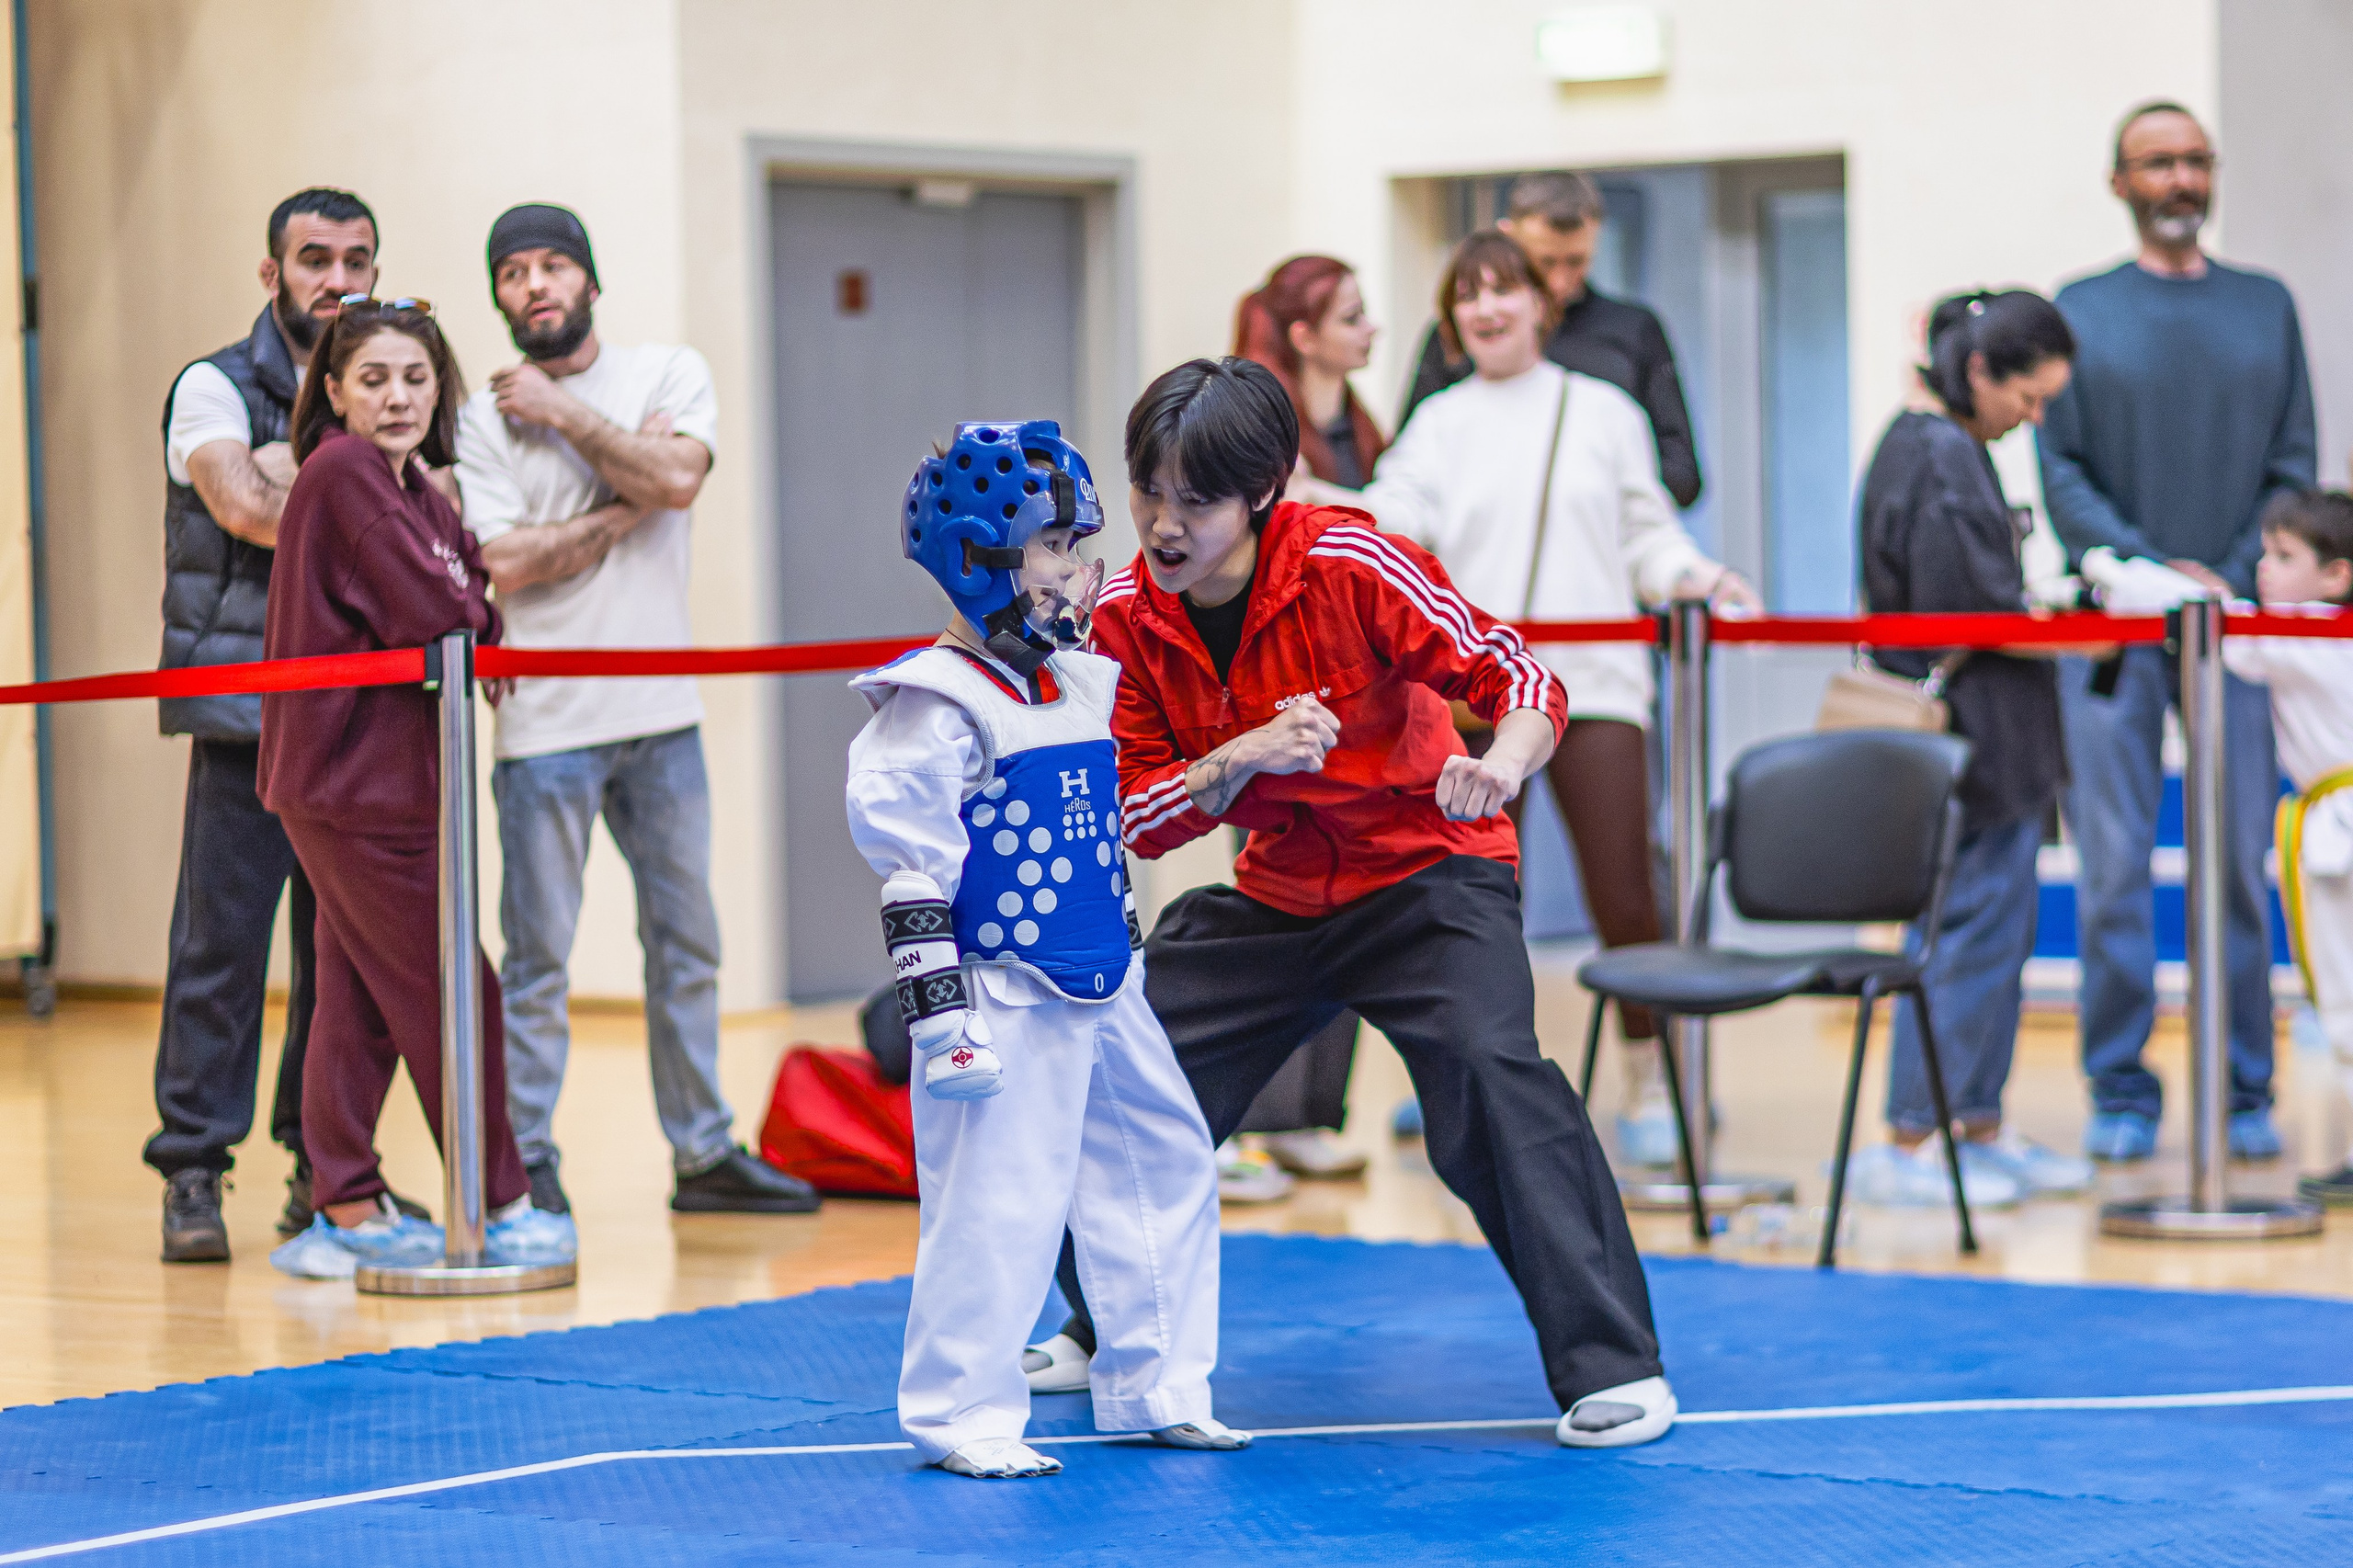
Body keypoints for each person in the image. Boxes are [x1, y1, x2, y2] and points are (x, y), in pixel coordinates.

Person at [1027, 358, 1676, 1451]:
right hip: (1278, 887)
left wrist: (1504, 764)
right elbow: (1131, 821)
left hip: (1427, 873)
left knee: (1489, 1078)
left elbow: (1517, 675)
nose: (1162, 523)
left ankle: (1618, 1367)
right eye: (1148, 492)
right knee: (1123, 1066)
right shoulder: (1127, 616)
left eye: (1195, 499)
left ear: (1264, 494)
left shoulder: (1352, 559)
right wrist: (1237, 757)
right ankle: (1103, 1320)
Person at [1302, 228, 1756, 1168]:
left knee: (1624, 887)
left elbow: (1645, 534)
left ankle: (1647, 1080)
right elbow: (1397, 514)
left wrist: (1698, 577)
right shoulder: (1438, 420)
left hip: (1593, 688)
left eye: (1501, 289)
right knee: (1472, 894)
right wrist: (1312, 499)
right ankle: (1468, 1073)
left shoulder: (1604, 411)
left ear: (1541, 303)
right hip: (1476, 694)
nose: (1484, 308)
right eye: (1465, 294)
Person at [846, 419, 1243, 1479]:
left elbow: (1093, 826)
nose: (1075, 573)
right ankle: (964, 1409)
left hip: (1105, 976)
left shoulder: (1072, 681)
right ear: (981, 561)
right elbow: (913, 871)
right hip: (1000, 987)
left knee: (1164, 1160)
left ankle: (1158, 1381)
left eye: (1076, 546)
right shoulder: (932, 705)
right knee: (1001, 1199)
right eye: (1053, 549)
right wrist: (941, 1020)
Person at [455, 204, 816, 1217]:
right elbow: (503, 562)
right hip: (541, 727)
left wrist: (568, 418)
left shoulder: (666, 371)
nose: (534, 285)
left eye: (553, 265)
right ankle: (525, 1155)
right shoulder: (481, 419)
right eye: (515, 271)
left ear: (590, 281)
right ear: (499, 294)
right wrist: (630, 501)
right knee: (536, 959)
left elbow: (681, 477)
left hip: (660, 717)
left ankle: (701, 1153)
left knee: (687, 940)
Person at [256, 298, 575, 1278]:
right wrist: (472, 613)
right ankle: (503, 1194)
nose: (397, 397)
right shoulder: (345, 471)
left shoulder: (416, 486)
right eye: (375, 379)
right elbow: (437, 604)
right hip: (351, 784)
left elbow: (464, 589)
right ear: (338, 393)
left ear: (440, 387)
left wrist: (470, 611)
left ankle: (342, 1201)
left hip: (399, 782)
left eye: (416, 377)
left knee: (358, 997)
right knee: (453, 986)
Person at [146, 187, 427, 1262]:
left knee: (341, 959)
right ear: (273, 275)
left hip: (357, 719)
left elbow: (434, 506)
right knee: (219, 951)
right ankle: (191, 1168)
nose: (337, 279)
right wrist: (356, 494)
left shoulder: (384, 380)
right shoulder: (212, 386)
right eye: (314, 259)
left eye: (356, 258)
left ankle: (324, 1168)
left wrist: (306, 478)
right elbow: (245, 507)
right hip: (242, 709)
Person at [2038, 101, 2316, 1162]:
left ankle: (2244, 1085)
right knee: (2112, 865)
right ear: (2119, 182)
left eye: (2196, 160)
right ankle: (2120, 1085)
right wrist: (2153, 576)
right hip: (2114, 635)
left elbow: (2294, 461)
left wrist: (2227, 576)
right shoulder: (2079, 310)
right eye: (2158, 162)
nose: (2180, 178)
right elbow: (2058, 468)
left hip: (2239, 630)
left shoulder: (2265, 307)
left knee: (2239, 862)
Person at [1847, 290, 2097, 1208]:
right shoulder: (1935, 453)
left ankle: (1974, 1124)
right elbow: (1970, 611)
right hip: (1969, 743)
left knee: (1995, 934)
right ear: (1978, 370)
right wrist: (2081, 627)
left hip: (1996, 744)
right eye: (2024, 400)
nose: (2028, 422)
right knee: (1959, 934)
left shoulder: (1944, 448)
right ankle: (1914, 1138)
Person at [1221, 255, 1387, 1187]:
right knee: (1272, 901)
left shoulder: (1362, 424)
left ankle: (1313, 1111)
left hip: (1353, 690)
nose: (1371, 331)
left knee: (1350, 897)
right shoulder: (1259, 423)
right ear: (1302, 332)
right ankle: (1255, 1114)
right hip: (1270, 691)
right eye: (1353, 316)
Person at [1396, 172, 1702, 508]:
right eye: (1544, 263)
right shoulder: (1461, 337)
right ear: (1507, 240)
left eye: (1576, 262)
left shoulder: (1633, 333)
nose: (1558, 283)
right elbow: (1410, 478)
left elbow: (1682, 477)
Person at [2219, 492, 2353, 1204]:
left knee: (2347, 997)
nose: (2264, 570)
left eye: (2284, 557)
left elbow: (2230, 635)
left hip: (2341, 831)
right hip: (2332, 817)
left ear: (2335, 576)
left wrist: (2183, 587)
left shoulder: (2307, 632)